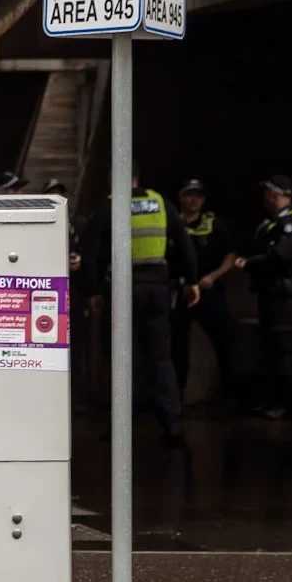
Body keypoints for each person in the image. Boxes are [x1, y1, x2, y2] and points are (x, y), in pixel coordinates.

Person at [86, 174, 199, 444]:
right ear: (137, 178)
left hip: (123, 290)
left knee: (120, 358)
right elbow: (184, 243)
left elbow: (91, 252)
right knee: (160, 358)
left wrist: (93, 291)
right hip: (157, 289)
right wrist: (192, 280)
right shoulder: (160, 203)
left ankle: (120, 426)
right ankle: (171, 424)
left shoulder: (109, 206)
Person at [235, 175, 292, 420]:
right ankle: (271, 398)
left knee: (283, 349)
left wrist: (249, 264)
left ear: (276, 194)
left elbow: (280, 255)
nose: (266, 197)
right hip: (269, 293)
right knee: (270, 348)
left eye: (269, 192)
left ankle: (285, 402)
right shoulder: (272, 223)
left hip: (283, 296)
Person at [171, 179, 239, 407]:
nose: (194, 200)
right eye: (189, 194)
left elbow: (230, 255)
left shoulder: (214, 225)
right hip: (180, 292)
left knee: (226, 341)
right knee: (177, 347)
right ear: (181, 197)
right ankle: (175, 399)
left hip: (208, 290)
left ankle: (231, 396)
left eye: (198, 196)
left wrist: (213, 276)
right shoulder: (173, 223)